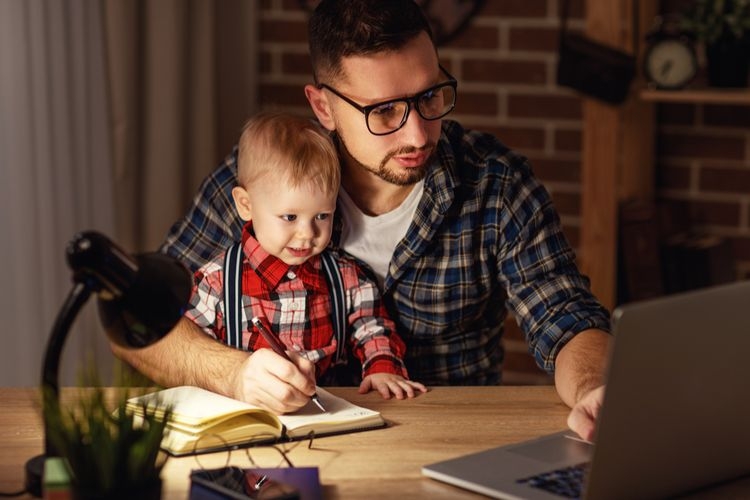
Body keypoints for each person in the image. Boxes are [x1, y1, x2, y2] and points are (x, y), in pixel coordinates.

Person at [112, 0, 611, 440]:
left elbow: (565, 318)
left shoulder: (496, 186)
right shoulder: (259, 184)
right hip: (285, 451)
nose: (417, 134)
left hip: (452, 444)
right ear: (323, 107)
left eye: (430, 96)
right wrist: (233, 373)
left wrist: (594, 388)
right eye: (385, 110)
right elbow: (138, 322)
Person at [183, 111, 426, 401]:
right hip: (249, 410)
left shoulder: (345, 278)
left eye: (322, 216)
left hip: (331, 409)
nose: (306, 233)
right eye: (289, 216)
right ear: (246, 205)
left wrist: (382, 367)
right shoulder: (217, 281)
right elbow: (194, 348)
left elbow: (373, 327)